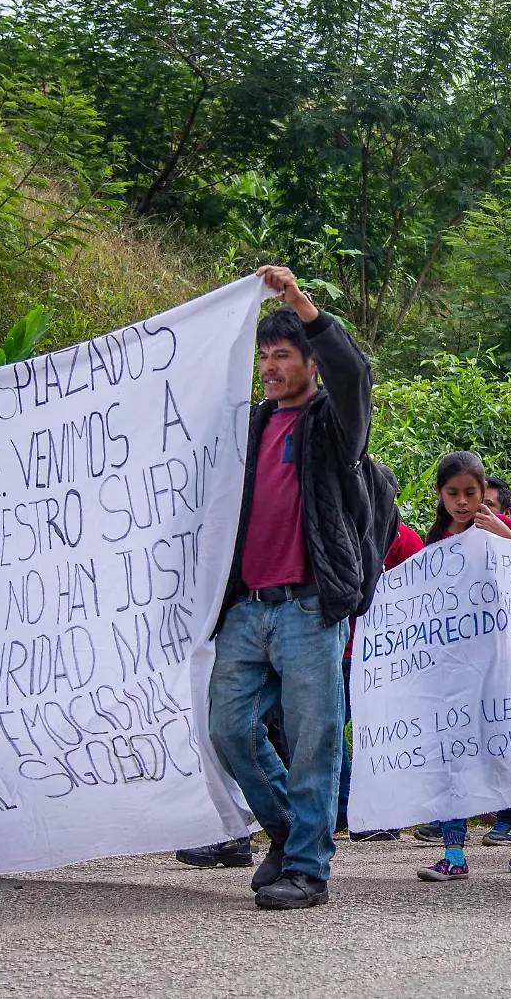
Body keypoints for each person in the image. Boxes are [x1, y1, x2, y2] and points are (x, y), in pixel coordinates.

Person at [207, 266, 386, 911]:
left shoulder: (333, 426)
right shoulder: (251, 424)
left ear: (310, 362)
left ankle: (308, 867)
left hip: (310, 604)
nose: (270, 367)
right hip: (248, 607)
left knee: (314, 738)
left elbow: (353, 377)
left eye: (282, 354)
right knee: (227, 728)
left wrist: (300, 304)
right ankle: (288, 831)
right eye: (263, 356)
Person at [416, 452, 511, 880]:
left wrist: (503, 536)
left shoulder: (498, 531)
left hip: (494, 664)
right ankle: (454, 854)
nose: (461, 501)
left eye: (470, 492)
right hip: (449, 663)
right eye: (452, 493)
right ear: (440, 495)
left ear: (482, 490)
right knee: (449, 754)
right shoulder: (434, 541)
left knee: (496, 753)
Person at [344, 520, 426, 841]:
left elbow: (421, 591)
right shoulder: (346, 529)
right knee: (332, 732)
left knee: (382, 736)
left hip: (385, 656)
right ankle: (345, 809)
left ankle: (383, 815)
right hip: (345, 649)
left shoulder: (404, 540)